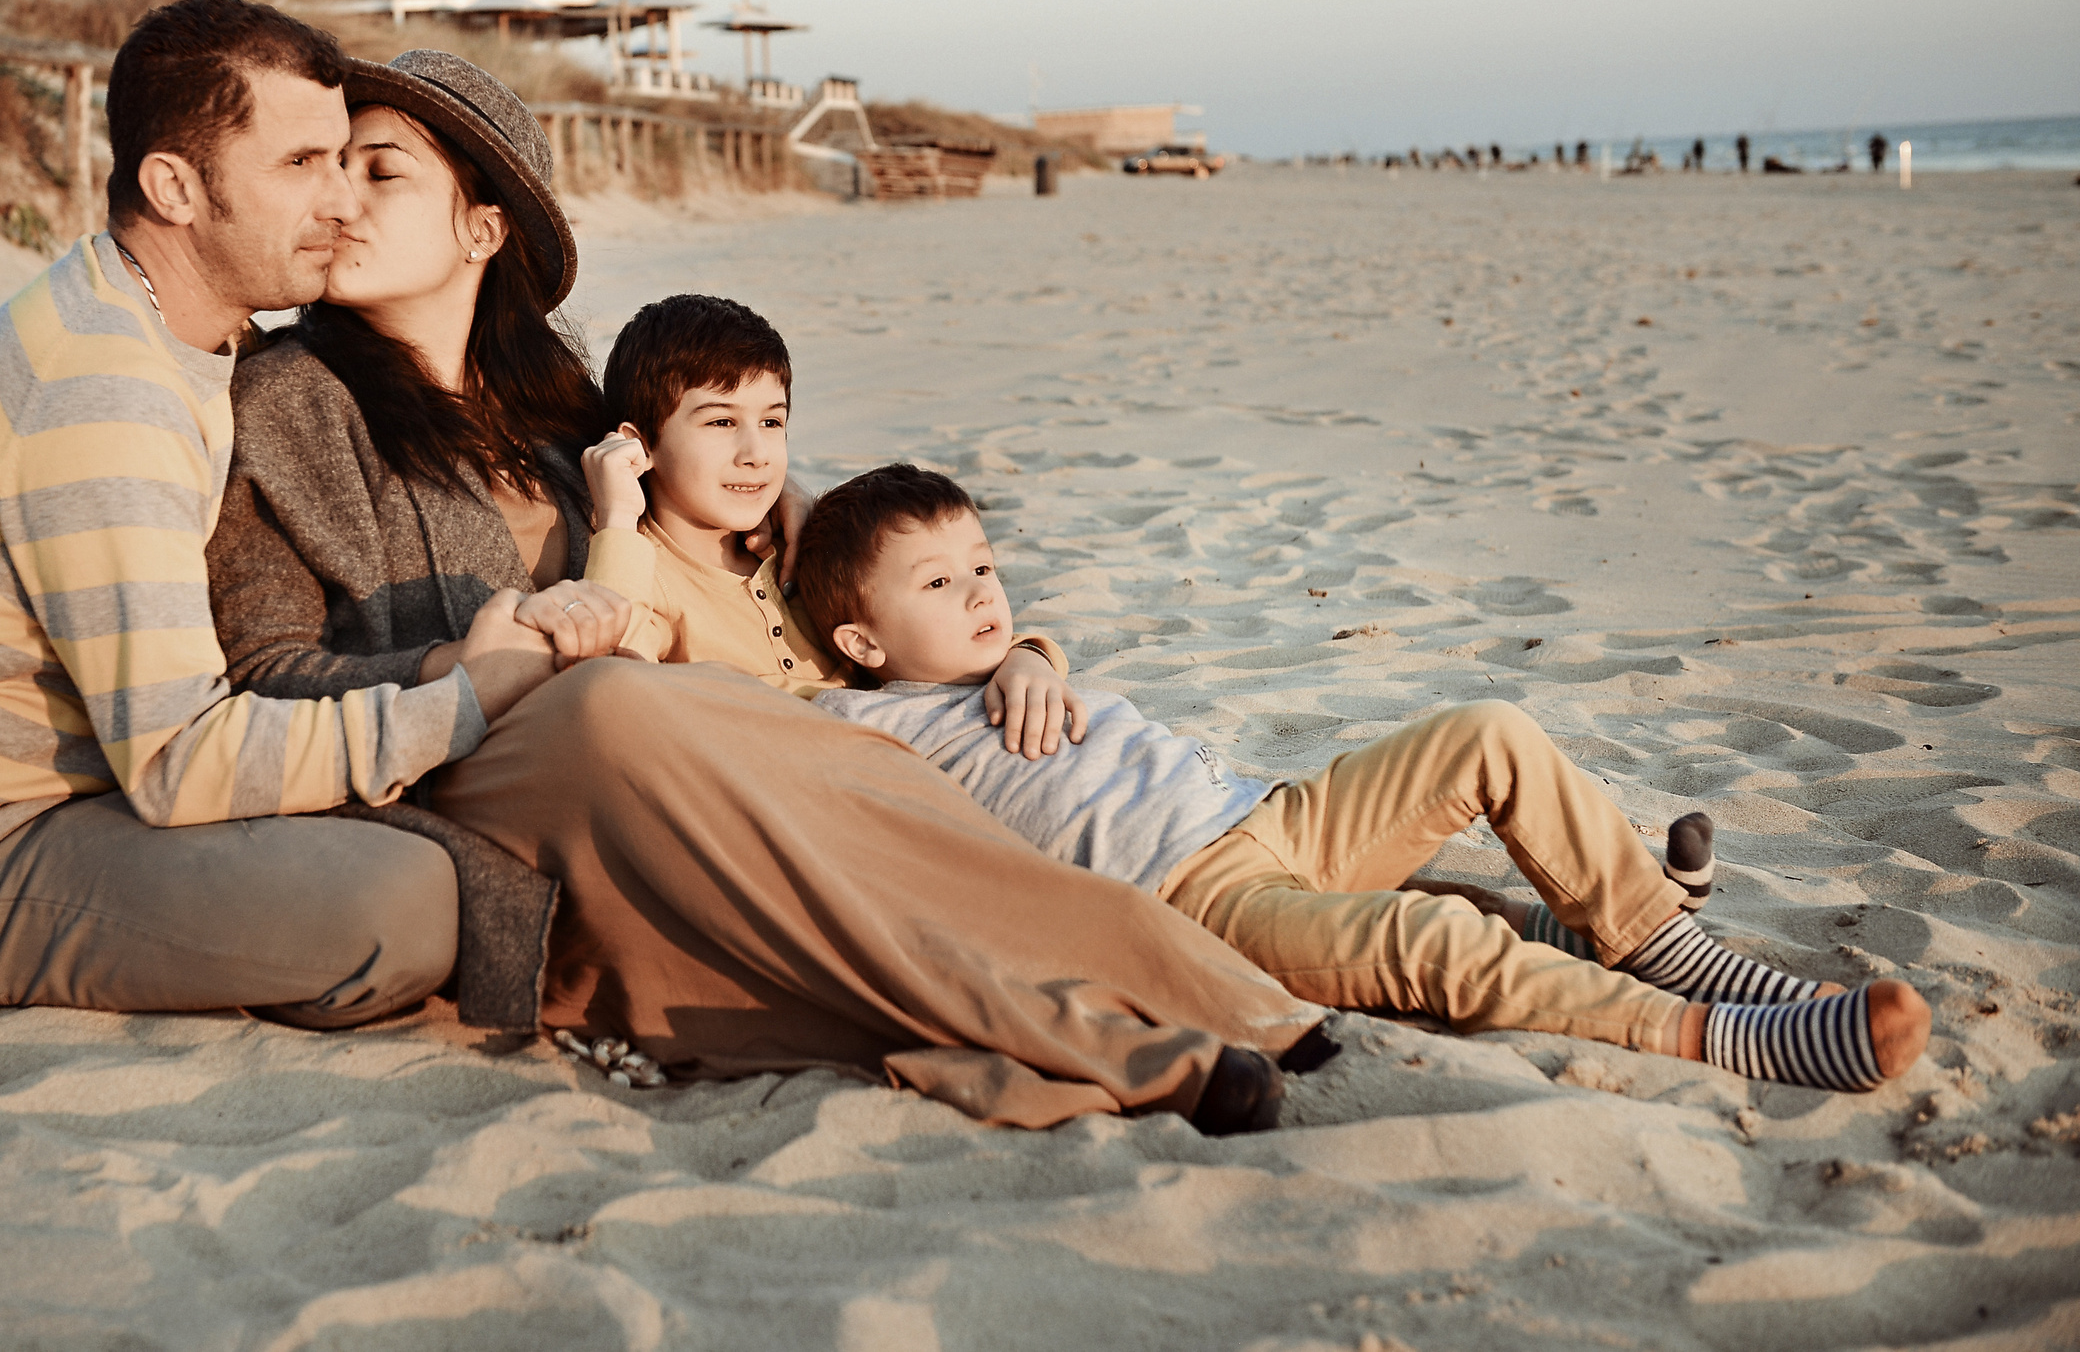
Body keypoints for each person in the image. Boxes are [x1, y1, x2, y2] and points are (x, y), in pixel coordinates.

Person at [205, 44, 1327, 1133]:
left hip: (671, 750)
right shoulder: (289, 400)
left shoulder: (558, 400)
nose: (338, 198)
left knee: (842, 755)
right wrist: (461, 668)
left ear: (481, 228)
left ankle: (1185, 987)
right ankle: (1078, 1034)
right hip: (477, 760)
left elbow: (808, 533)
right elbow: (260, 673)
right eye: (326, 166)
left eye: (379, 169)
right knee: (623, 707)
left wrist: (1024, 646)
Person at [0, 0, 566, 1031]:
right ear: (175, 187)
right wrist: (462, 701)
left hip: (88, 783)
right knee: (409, 907)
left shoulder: (183, 328)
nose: (342, 203)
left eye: (349, 160)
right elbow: (174, 765)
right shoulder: (100, 390)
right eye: (302, 166)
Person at [786, 465, 1932, 1095]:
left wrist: (1031, 649)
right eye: (938, 585)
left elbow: (993, 633)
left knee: (1486, 730)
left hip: (1266, 817)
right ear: (863, 645)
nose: (983, 594)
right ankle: (1720, 1035)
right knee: (1439, 943)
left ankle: (1658, 941)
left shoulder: (1009, 658)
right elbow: (740, 711)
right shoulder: (866, 727)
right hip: (1203, 907)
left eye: (983, 565)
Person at [571, 292, 1077, 745]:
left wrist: (1028, 657)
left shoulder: (798, 543)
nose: (756, 453)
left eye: (772, 421)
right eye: (722, 421)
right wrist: (617, 517)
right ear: (638, 444)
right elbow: (606, 686)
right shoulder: (648, 575)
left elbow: (934, 629)